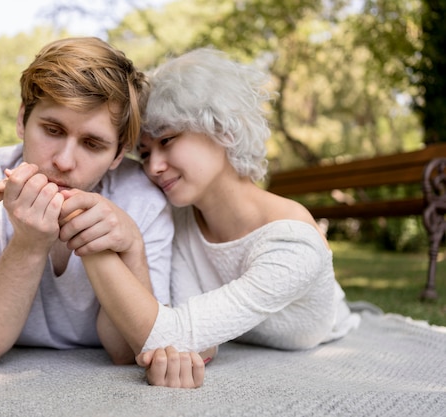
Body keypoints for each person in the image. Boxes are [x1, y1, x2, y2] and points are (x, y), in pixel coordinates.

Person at [81, 48, 361, 388]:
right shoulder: (180, 217)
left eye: (167, 140)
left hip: (320, 329)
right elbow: (171, 329)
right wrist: (181, 343)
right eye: (145, 153)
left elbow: (169, 333)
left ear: (223, 130)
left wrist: (80, 224)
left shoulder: (293, 243)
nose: (154, 167)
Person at [0, 37, 173, 369]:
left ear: (117, 154)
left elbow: (128, 352)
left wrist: (129, 247)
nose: (65, 161)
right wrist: (29, 244)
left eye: (92, 144)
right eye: (53, 130)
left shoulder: (143, 199)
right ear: (22, 119)